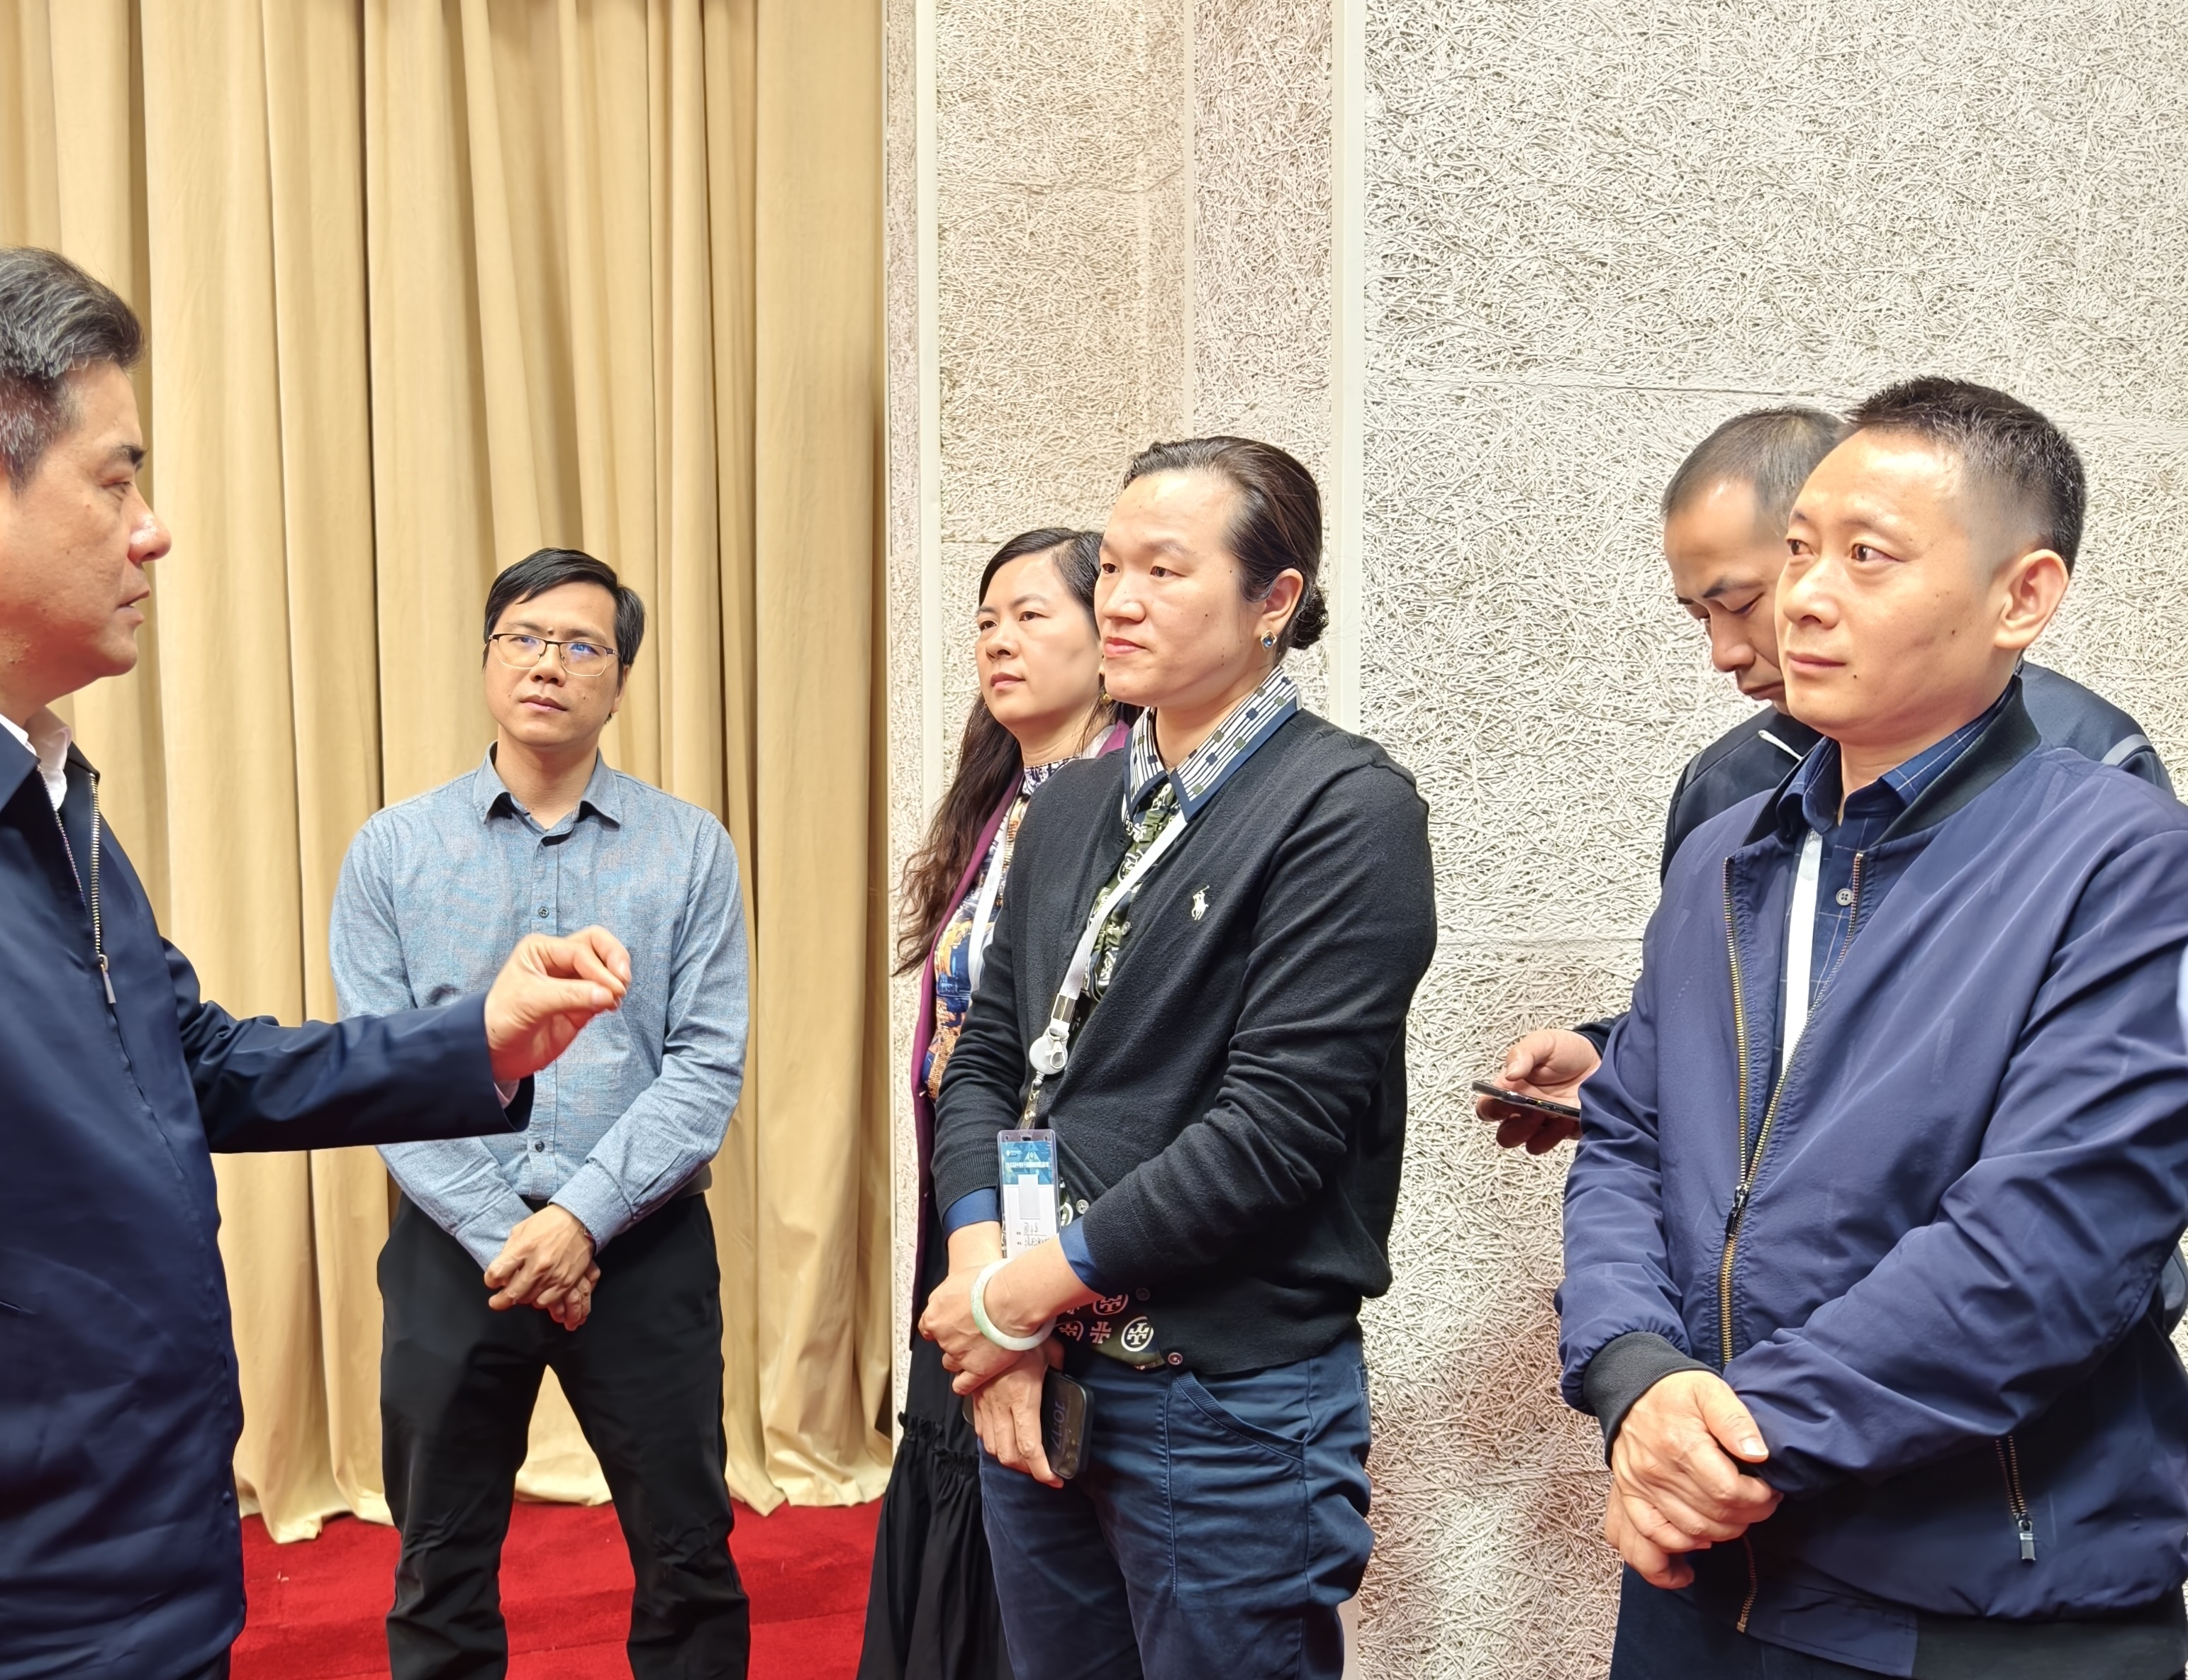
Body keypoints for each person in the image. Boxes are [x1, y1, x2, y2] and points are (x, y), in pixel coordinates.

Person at [0, 244, 630, 1680]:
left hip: (145, 1582)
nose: (152, 534)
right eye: (115, 480)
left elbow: (183, 1061)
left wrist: (476, 1041)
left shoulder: (38, 787)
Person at [1559, 378, 2188, 1679]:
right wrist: (1634, 1376)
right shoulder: (1728, 852)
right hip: (1700, 1581)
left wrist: (1725, 1441)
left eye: (1867, 556)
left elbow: (2046, 1249)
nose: (1804, 596)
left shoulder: (2121, 858)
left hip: (1967, 1603)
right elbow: (1626, 1137)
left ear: (2022, 597)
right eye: (1799, 550)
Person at [918, 437, 1437, 1679]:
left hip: (1218, 1402)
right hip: (1040, 1368)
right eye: (1112, 568)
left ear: (1274, 600)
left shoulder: (1346, 809)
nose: (1121, 600)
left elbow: (1273, 1134)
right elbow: (987, 1059)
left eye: (1165, 569)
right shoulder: (1069, 803)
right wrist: (987, 1269)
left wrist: (1018, 1298)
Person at [1478, 405, 2168, 1153]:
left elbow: (2096, 1089)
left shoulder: (2094, 769)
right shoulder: (1724, 787)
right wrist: (1620, 1069)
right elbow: (1742, 1018)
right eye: (1700, 617)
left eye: (1743, 603)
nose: (1724, 652)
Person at [334, 548, 751, 1680]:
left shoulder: (692, 848)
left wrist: (579, 1220)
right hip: (453, 1244)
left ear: (619, 681)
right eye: (522, 637)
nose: (547, 664)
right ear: (486, 660)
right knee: (438, 1564)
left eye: (581, 645)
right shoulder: (394, 850)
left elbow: (705, 1067)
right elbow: (382, 1072)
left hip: (644, 1243)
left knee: (690, 1555)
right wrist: (506, 1232)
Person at [862, 526, 1132, 1680]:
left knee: (1035, 1505)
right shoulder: (1004, 804)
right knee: (955, 1465)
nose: (998, 642)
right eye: (984, 620)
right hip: (972, 1197)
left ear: (1107, 637)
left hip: (1061, 1220)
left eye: (1031, 615)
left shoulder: (1126, 807)